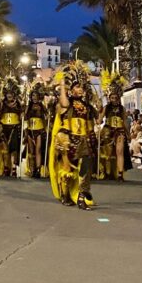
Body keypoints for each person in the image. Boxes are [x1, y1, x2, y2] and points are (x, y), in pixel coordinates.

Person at [48, 61, 99, 210]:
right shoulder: (67, 103)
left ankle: (82, 198)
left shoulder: (88, 106)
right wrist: (63, 85)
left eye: (82, 87)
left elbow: (95, 121)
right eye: (77, 87)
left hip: (84, 141)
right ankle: (65, 194)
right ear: (72, 90)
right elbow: (63, 103)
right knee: (68, 169)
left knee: (85, 171)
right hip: (68, 140)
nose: (80, 89)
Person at [98, 71, 130, 182]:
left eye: (116, 97)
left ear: (119, 97)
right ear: (109, 98)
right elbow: (99, 119)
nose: (114, 99)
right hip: (107, 131)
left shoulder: (122, 109)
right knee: (106, 153)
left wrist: (128, 134)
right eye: (112, 98)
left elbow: (125, 122)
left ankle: (120, 174)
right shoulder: (106, 107)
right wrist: (98, 114)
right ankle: (107, 173)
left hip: (119, 132)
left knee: (119, 152)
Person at [0, 76, 22, 178]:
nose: (9, 95)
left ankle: (13, 168)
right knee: (5, 149)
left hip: (14, 128)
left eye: (11, 93)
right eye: (8, 93)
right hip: (4, 127)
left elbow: (22, 115)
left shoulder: (18, 103)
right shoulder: (2, 103)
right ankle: (6, 167)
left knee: (13, 149)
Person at [24, 81, 48, 178]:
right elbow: (25, 117)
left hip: (39, 130)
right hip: (30, 130)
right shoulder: (28, 106)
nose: (34, 97)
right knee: (31, 151)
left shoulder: (42, 106)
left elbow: (46, 116)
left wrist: (47, 115)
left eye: (36, 95)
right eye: (33, 95)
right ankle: (32, 169)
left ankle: (38, 169)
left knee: (38, 150)